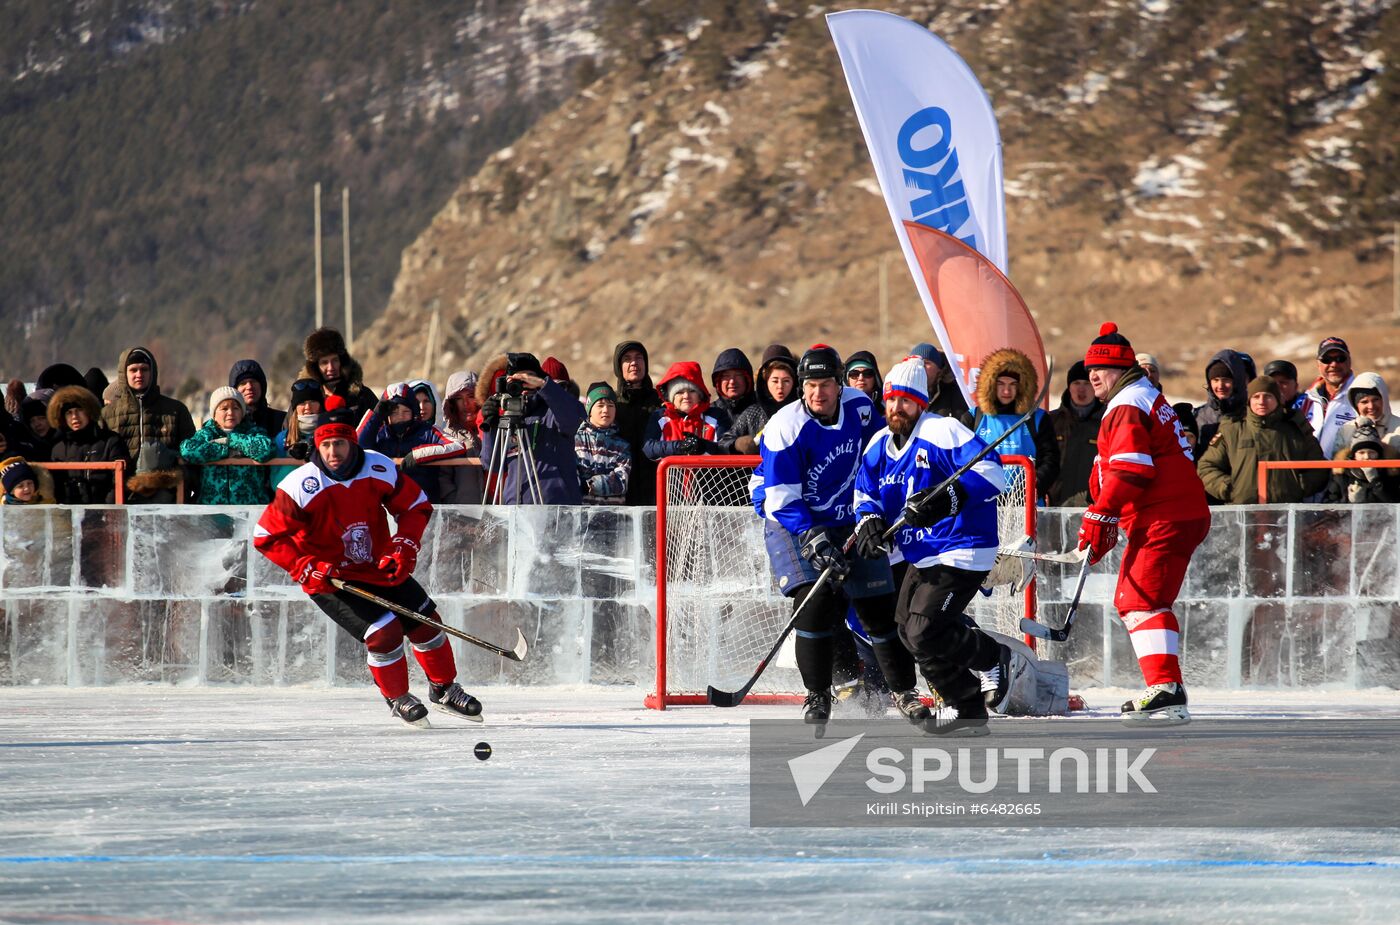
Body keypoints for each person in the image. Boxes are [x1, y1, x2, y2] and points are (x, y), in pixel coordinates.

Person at [254, 395, 482, 727]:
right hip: (330, 579)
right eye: (327, 445)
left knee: (426, 621)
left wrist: (404, 545)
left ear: (352, 443)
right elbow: (266, 537)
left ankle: (444, 688)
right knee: (383, 632)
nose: (334, 453)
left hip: (377, 566)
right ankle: (398, 696)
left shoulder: (377, 465)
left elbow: (415, 505)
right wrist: (303, 565)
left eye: (340, 444)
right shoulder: (300, 486)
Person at [751, 344, 921, 731]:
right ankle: (818, 694)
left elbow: (883, 456)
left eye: (826, 384)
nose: (818, 393)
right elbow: (781, 498)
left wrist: (875, 512)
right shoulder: (785, 426)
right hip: (794, 519)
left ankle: (904, 692)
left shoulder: (860, 408)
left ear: (839, 385)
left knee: (880, 608)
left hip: (850, 518)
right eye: (810, 385)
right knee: (814, 604)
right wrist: (813, 538)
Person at [853, 358, 1022, 735]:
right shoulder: (880, 444)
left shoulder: (942, 431)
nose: (898, 408)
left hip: (962, 546)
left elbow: (993, 472)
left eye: (906, 401)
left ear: (921, 403)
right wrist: (869, 521)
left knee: (924, 630)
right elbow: (865, 493)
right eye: (892, 400)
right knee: (906, 630)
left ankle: (993, 656)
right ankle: (968, 708)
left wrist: (946, 500)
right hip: (922, 552)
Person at [1079, 323, 1209, 726]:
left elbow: (1132, 469)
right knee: (1146, 601)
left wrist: (1100, 514)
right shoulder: (1145, 397)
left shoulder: (1127, 403)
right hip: (1174, 513)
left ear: (1121, 370)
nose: (1093, 376)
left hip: (1164, 516)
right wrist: (1108, 512)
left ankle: (1166, 689)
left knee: (1137, 600)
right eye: (1088, 370)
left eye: (1101, 369)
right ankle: (1167, 687)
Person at [1196, 376, 1327, 504]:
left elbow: (1319, 467)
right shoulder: (1231, 430)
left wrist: (1299, 486)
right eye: (1256, 397)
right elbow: (1206, 467)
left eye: (1268, 396)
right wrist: (1228, 488)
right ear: (1249, 400)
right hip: (1241, 516)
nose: (1261, 401)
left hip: (1286, 514)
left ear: (1278, 400)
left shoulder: (1297, 429)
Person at [477, 352, 585, 504]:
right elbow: (491, 464)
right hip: (517, 510)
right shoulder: (507, 417)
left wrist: (544, 386)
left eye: (528, 377)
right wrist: (491, 425)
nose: (523, 384)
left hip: (556, 508)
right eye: (517, 379)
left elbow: (573, 420)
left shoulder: (552, 412)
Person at [100, 346, 196, 504]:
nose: (139, 375)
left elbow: (191, 453)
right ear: (124, 374)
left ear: (152, 372)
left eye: (144, 369)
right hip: (122, 496)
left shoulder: (176, 410)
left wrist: (181, 478)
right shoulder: (107, 415)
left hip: (168, 496)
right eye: (133, 370)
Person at [962, 347, 1058, 504]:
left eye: (1013, 384)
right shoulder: (974, 418)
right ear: (991, 384)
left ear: (1021, 386)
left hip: (1026, 506)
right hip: (984, 503)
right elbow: (960, 462)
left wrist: (1032, 489)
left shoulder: (1037, 419)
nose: (1006, 390)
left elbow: (1051, 461)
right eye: (1001, 384)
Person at [356, 383, 468, 505]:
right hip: (386, 508)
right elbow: (356, 446)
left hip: (422, 506)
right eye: (394, 412)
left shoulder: (428, 432)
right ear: (386, 415)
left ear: (414, 412)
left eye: (406, 411)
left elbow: (458, 446)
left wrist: (418, 455)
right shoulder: (378, 433)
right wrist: (375, 416)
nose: (400, 417)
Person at [179, 387, 276, 505]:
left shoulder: (254, 432)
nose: (230, 412)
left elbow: (266, 450)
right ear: (214, 414)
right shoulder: (206, 434)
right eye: (224, 408)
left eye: (236, 408)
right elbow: (187, 450)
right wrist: (226, 451)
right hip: (212, 509)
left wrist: (231, 439)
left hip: (250, 509)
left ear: (242, 412)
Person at [46, 385, 130, 504]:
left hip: (105, 513)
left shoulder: (110, 441)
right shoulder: (58, 449)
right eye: (69, 413)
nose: (74, 417)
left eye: (79, 410)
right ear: (62, 417)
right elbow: (56, 489)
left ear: (89, 411)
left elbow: (119, 482)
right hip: (70, 516)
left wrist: (108, 512)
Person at [721, 345, 797, 455]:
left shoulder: (802, 413)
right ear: (765, 381)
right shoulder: (753, 413)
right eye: (775, 381)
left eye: (786, 381)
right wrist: (737, 444)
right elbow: (723, 442)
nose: (780, 386)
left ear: (794, 382)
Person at [612, 340, 662, 505]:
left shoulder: (661, 401)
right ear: (619, 367)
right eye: (627, 358)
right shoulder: (612, 405)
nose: (634, 363)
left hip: (657, 491)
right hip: (622, 494)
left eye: (639, 357)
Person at [1047, 361, 1104, 505]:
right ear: (1069, 387)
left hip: (1092, 507)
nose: (1081, 389)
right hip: (1055, 507)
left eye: (1087, 383)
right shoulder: (1051, 421)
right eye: (1076, 383)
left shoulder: (1106, 422)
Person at [643, 362, 724, 462]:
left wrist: (701, 446)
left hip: (710, 477)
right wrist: (680, 446)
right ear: (672, 397)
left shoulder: (716, 416)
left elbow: (725, 448)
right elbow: (649, 448)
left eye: (692, 391)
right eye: (679, 392)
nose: (686, 396)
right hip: (672, 477)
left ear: (700, 395)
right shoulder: (661, 417)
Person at [302, 327, 376, 422]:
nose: (331, 367)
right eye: (324, 362)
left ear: (342, 361)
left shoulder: (362, 396)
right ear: (315, 367)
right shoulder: (303, 398)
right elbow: (289, 432)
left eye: (335, 360)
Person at [575, 382, 631, 503]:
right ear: (589, 410)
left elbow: (621, 482)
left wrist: (591, 485)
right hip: (582, 516)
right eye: (600, 405)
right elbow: (572, 479)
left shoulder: (622, 446)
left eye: (610, 406)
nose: (606, 410)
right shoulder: (575, 442)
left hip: (615, 516)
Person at [437, 371, 485, 504]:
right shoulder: (446, 437)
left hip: (499, 515)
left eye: (471, 396)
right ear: (451, 403)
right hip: (463, 518)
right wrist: (458, 510)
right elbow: (443, 480)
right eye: (458, 398)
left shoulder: (493, 432)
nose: (465, 404)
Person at [1305, 336, 1357, 456]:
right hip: (1310, 472)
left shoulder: (1360, 396)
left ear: (1349, 361)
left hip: (1345, 472)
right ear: (1318, 364)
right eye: (1327, 359)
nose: (1333, 364)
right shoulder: (1306, 399)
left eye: (1340, 358)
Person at [1192, 349, 1251, 452]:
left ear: (1238, 381)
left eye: (1226, 380)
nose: (1220, 386)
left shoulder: (1251, 415)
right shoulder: (1198, 417)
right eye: (1216, 380)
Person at [1325, 425, 1399, 504]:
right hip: (1349, 516)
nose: (1366, 457)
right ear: (1354, 455)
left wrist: (1375, 480)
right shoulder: (1343, 473)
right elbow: (1330, 503)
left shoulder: (1390, 471)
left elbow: (1394, 502)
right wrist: (1349, 500)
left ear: (1379, 454)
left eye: (1372, 452)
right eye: (1361, 453)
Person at [271, 379, 324, 488]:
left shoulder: (329, 435)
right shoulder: (283, 438)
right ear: (295, 408)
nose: (308, 407)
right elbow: (276, 485)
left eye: (313, 401)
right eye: (302, 403)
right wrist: (292, 460)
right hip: (293, 499)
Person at [1332, 371, 1400, 455]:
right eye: (1364, 402)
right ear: (1356, 405)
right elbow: (1337, 463)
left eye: (1376, 400)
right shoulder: (1346, 430)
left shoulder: (1398, 428)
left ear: (1384, 399)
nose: (1371, 406)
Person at [229, 359, 287, 438]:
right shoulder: (229, 424)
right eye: (243, 383)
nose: (249, 386)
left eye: (253, 381)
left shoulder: (282, 420)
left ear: (262, 386)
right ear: (235, 390)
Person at [910, 342, 968, 418]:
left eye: (926, 363)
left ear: (939, 368)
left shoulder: (957, 391)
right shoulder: (903, 393)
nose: (921, 366)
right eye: (916, 362)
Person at [1264, 360, 1322, 435]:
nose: (1278, 387)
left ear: (1296, 386)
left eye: (1283, 382)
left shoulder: (1310, 407)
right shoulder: (1257, 409)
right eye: (1273, 383)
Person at [708, 348, 755, 434]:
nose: (732, 381)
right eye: (726, 376)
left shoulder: (761, 407)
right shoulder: (711, 413)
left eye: (738, 375)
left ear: (747, 379)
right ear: (718, 381)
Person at [844, 351, 884, 419]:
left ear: (876, 378)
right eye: (854, 374)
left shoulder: (887, 406)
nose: (861, 378)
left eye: (867, 373)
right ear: (847, 379)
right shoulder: (838, 407)